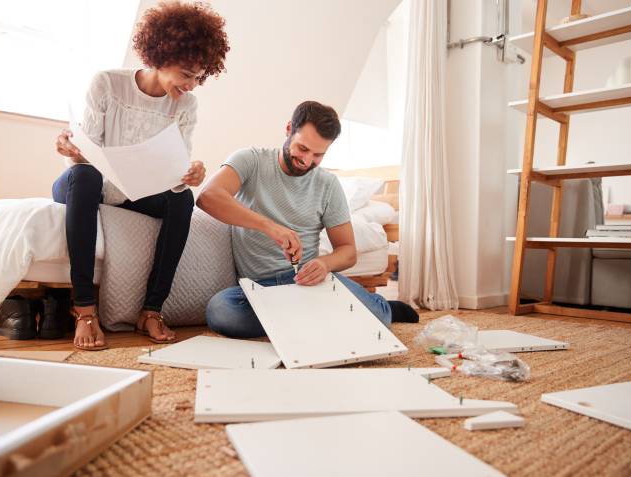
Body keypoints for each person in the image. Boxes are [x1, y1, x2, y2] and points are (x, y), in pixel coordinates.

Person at [53, 1, 229, 350]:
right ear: (160, 56)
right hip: (87, 183)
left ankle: (151, 310)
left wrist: (189, 174)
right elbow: (87, 152)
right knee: (85, 177)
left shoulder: (186, 106)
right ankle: (85, 309)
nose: (192, 85)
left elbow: (175, 170)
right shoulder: (107, 83)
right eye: (186, 73)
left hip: (136, 190)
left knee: (183, 198)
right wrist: (72, 148)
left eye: (199, 76)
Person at [196, 101, 418, 338]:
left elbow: (347, 251)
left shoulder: (327, 185)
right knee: (221, 312)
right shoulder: (250, 160)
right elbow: (207, 197)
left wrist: (324, 264)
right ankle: (319, 318)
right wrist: (270, 227)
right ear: (289, 129)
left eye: (318, 155)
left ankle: (378, 307)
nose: (307, 160)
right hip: (259, 288)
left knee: (380, 317)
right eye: (302, 149)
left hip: (309, 283)